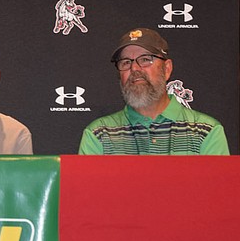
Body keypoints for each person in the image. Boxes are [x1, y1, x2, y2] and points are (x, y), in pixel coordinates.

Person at [79, 28, 229, 155]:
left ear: (167, 68)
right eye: (125, 62)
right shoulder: (98, 135)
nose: (134, 68)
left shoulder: (206, 132)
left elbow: (218, 189)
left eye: (145, 59)